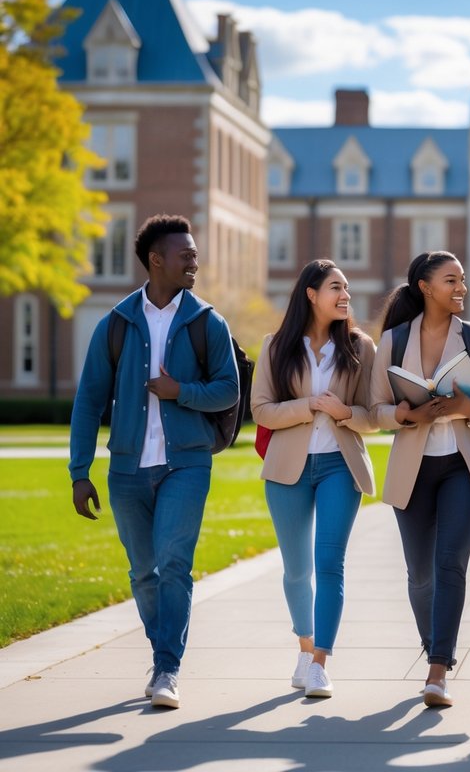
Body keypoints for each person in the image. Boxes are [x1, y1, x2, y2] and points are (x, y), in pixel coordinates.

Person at [69, 214, 239, 709]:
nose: (194, 261)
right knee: (143, 572)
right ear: (155, 260)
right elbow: (88, 401)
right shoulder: (116, 324)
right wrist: (79, 472)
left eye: (195, 253)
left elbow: (229, 391)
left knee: (173, 564)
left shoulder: (209, 322)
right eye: (184, 254)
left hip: (185, 464)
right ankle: (160, 650)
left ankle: (167, 668)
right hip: (126, 469)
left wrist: (179, 392)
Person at [369, 251, 470, 708]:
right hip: (414, 468)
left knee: (450, 565)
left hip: (465, 468)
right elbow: (376, 409)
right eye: (452, 280)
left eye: (463, 279)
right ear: (426, 287)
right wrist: (404, 413)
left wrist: (467, 407)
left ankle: (437, 670)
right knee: (420, 575)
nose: (461, 287)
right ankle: (436, 648)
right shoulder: (392, 340)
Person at [250, 259, 377, 699]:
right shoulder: (274, 347)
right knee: (297, 570)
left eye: (346, 288)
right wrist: (311, 405)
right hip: (288, 470)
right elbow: (261, 410)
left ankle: (321, 662)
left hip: (340, 467)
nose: (345, 295)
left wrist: (344, 413)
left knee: (330, 565)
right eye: (335, 288)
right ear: (311, 294)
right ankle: (304, 648)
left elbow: (373, 416)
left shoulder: (362, 347)